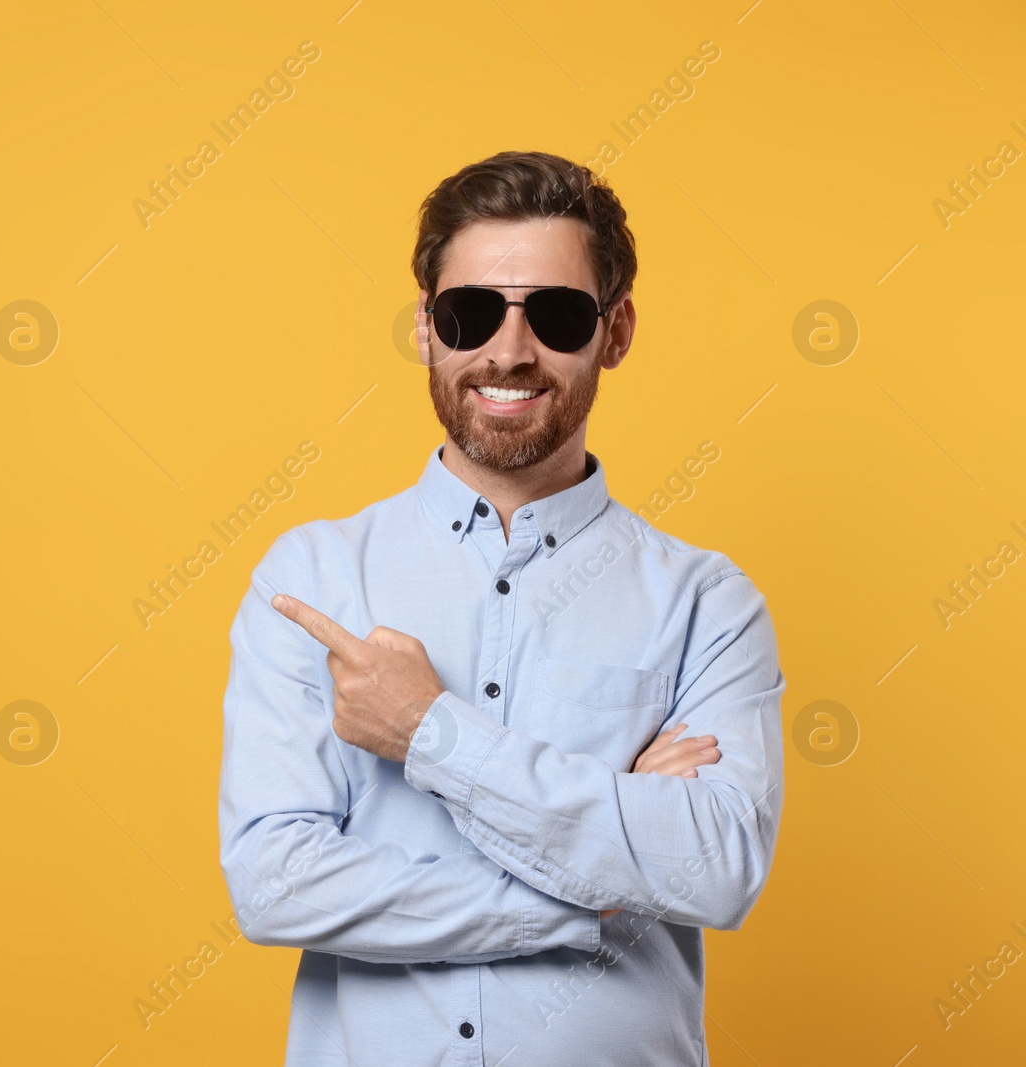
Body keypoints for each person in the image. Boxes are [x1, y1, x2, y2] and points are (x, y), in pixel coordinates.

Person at [217, 150, 785, 1066]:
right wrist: (588, 882)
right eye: (470, 311)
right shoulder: (315, 576)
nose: (509, 351)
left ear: (617, 330)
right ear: (425, 328)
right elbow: (276, 883)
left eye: (557, 316)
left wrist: (427, 729)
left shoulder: (706, 603)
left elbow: (714, 870)